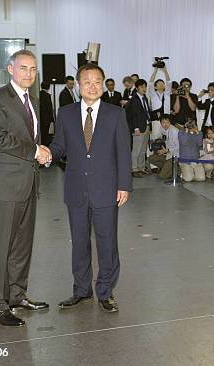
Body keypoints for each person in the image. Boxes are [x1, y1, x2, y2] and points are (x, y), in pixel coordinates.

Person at [48, 63, 131, 313]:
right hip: (76, 189)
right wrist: (46, 154)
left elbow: (123, 152)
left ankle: (105, 291)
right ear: (78, 85)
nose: (92, 86)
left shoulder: (115, 114)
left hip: (107, 189)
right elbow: (59, 146)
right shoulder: (66, 113)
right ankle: (81, 290)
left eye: (97, 82)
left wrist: (124, 185)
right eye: (87, 82)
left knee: (107, 242)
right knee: (79, 242)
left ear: (103, 85)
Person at [0, 49, 50, 327]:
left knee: (22, 244)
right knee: (2, 246)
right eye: (23, 68)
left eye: (33, 69)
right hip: (5, 185)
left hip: (28, 183)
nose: (29, 74)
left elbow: (31, 137)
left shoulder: (32, 100)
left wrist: (40, 152)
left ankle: (17, 295)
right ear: (10, 69)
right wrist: (35, 151)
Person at [128, 79, 151, 178]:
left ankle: (141, 168)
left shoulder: (144, 98)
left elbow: (147, 112)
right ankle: (134, 169)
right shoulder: (134, 99)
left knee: (143, 149)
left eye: (145, 86)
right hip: (138, 127)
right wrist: (135, 128)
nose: (144, 89)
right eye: (142, 87)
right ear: (137, 88)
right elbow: (133, 115)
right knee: (136, 149)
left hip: (146, 126)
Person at [148, 114, 180, 180]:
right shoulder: (162, 129)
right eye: (163, 122)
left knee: (162, 176)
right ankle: (168, 168)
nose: (165, 124)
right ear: (160, 123)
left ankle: (178, 170)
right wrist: (161, 150)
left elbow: (179, 147)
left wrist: (167, 150)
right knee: (151, 158)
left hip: (176, 156)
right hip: (168, 154)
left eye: (167, 122)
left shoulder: (174, 131)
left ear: (170, 122)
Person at [39, 81, 55, 146]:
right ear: (48, 87)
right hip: (47, 119)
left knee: (41, 134)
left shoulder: (38, 94)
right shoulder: (47, 96)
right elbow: (49, 109)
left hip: (40, 118)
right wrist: (52, 120)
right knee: (46, 135)